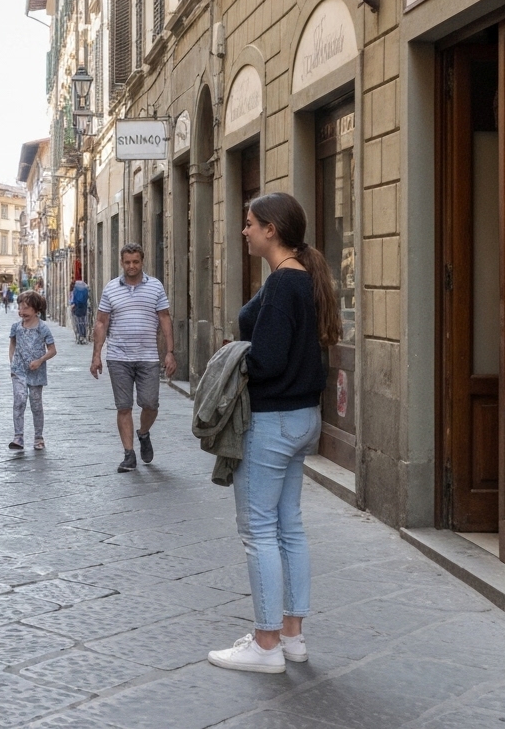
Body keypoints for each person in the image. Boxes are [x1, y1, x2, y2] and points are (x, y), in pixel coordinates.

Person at [206, 192, 341, 674]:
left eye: (249, 223)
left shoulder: (285, 284)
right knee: (289, 527)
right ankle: (292, 636)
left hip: (273, 421)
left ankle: (265, 645)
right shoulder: (301, 278)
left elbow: (267, 360)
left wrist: (238, 357)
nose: (244, 231)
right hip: (303, 417)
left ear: (271, 230)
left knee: (258, 530)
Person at [90, 243, 176, 473]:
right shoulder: (110, 289)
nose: (131, 266)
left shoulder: (155, 287)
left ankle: (143, 433)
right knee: (124, 406)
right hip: (118, 357)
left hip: (148, 356)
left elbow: (165, 318)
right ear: (122, 263)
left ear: (142, 261)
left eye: (135, 262)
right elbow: (101, 322)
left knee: (150, 403)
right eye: (127, 262)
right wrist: (96, 355)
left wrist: (170, 351)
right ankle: (129, 455)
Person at [7, 291, 57, 451]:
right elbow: (12, 344)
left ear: (36, 310)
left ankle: (38, 437)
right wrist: (12, 362)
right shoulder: (16, 327)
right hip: (19, 371)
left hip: (36, 372)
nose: (22, 312)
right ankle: (18, 437)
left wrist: (40, 360)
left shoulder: (42, 328)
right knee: (19, 401)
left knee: (36, 405)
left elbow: (52, 350)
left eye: (26, 308)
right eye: (20, 307)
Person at [70, 278, 90, 343]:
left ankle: (79, 335)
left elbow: (72, 301)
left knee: (77, 322)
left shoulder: (74, 290)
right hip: (84, 307)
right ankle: (84, 336)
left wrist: (72, 305)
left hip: (76, 308)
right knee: (83, 322)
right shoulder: (84, 288)